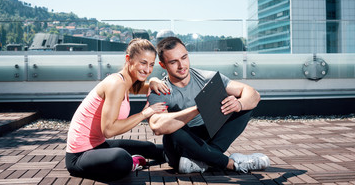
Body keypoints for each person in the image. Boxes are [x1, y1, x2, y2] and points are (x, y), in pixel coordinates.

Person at [147, 37, 270, 174]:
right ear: (163, 65)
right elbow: (157, 127)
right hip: (180, 149)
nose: (181, 66)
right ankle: (232, 164)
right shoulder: (160, 89)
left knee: (243, 106)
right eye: (173, 62)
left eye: (184, 58)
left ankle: (204, 159)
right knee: (172, 127)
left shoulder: (206, 78)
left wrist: (239, 104)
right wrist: (199, 108)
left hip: (207, 141)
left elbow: (253, 94)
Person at [66, 38, 169, 181]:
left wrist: (153, 80)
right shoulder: (116, 84)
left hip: (98, 146)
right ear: (129, 59)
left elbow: (147, 87)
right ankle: (131, 162)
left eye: (151, 64)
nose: (147, 70)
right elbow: (108, 130)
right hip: (79, 155)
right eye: (143, 63)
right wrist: (145, 113)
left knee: (150, 147)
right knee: (121, 158)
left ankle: (187, 156)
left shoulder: (127, 83)